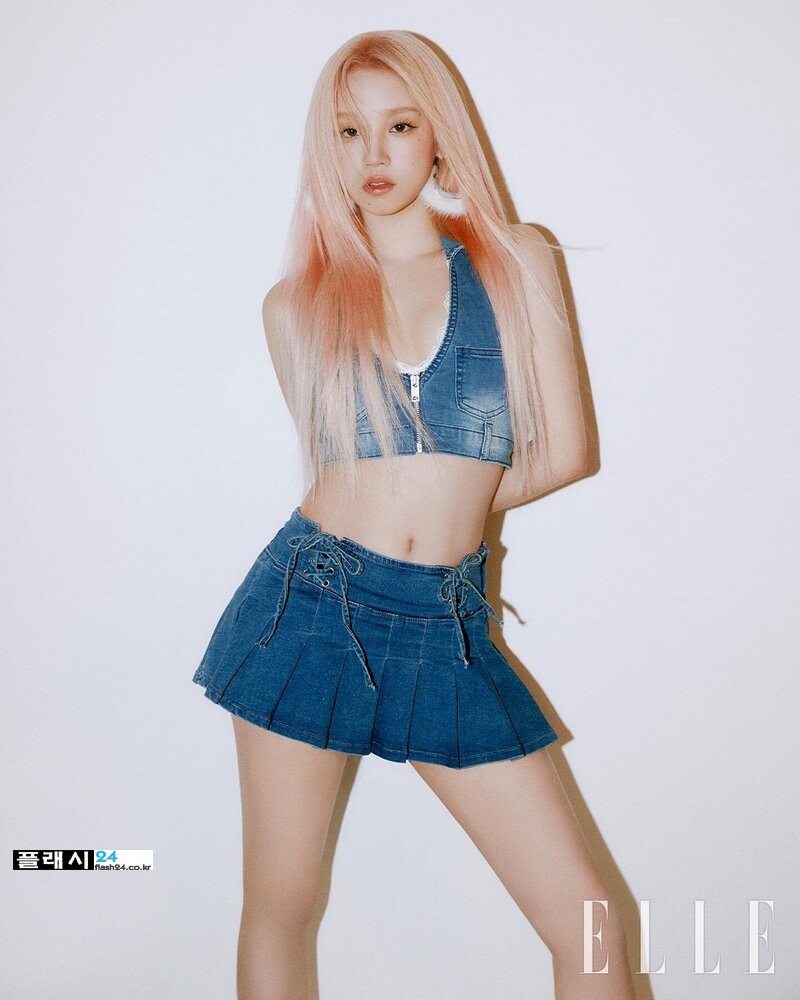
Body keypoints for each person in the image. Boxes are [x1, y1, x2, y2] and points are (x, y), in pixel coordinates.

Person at [192, 29, 637, 1000]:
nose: (374, 153)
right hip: (310, 607)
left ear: (439, 136)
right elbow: (349, 474)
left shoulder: (515, 262)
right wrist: (421, 502)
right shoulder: (294, 306)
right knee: (282, 903)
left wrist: (450, 508)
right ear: (326, 149)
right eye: (348, 131)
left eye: (398, 126)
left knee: (589, 921)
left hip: (445, 625)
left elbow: (566, 452)